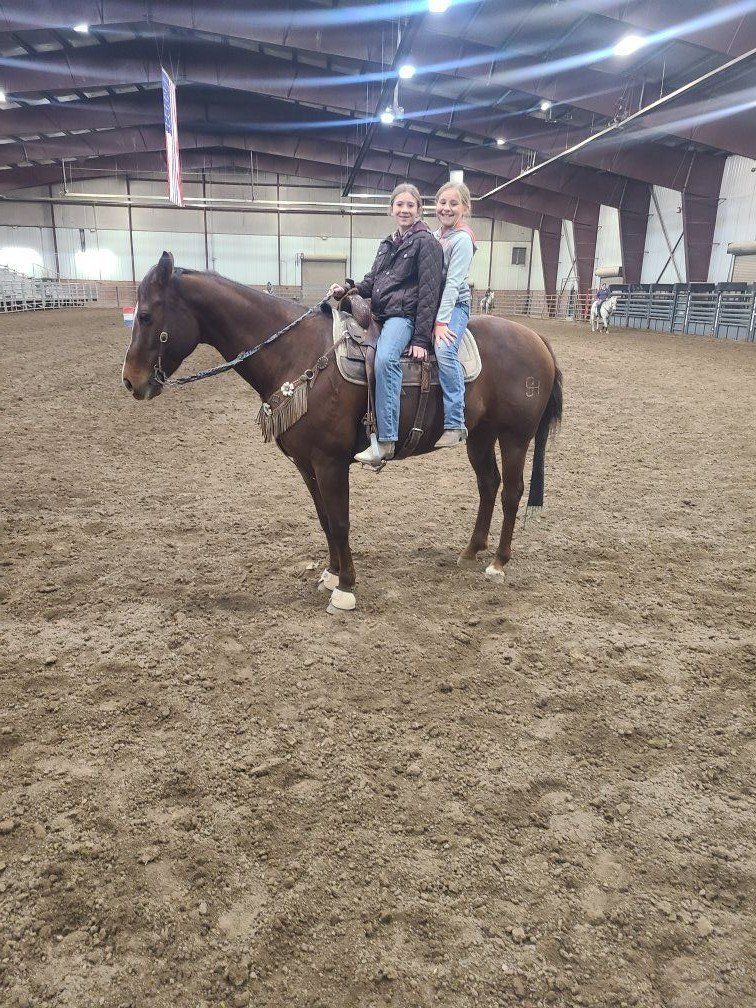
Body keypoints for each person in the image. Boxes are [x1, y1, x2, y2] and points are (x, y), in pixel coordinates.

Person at [327, 183, 443, 466]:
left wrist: (420, 339)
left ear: (419, 210)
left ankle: (387, 439)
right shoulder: (388, 243)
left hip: (403, 317)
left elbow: (429, 293)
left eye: (410, 205)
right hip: (379, 313)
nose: (404, 210)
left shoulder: (427, 243)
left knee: (385, 359)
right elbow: (372, 281)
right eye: (399, 205)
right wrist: (347, 289)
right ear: (391, 209)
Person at [432, 181, 477, 448]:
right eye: (442, 202)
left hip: (455, 306)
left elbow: (452, 284)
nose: (446, 208)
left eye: (453, 203)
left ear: (465, 208)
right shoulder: (435, 235)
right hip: (433, 304)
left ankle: (455, 422)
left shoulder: (462, 240)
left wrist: (441, 322)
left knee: (445, 350)